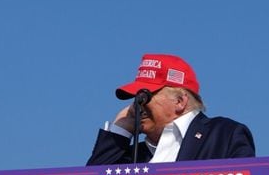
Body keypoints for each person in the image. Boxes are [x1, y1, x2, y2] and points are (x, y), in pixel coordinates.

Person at [87, 54, 254, 165]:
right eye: (136, 98)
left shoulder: (224, 135)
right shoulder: (133, 157)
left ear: (180, 101)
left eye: (145, 96)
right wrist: (119, 131)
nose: (137, 105)